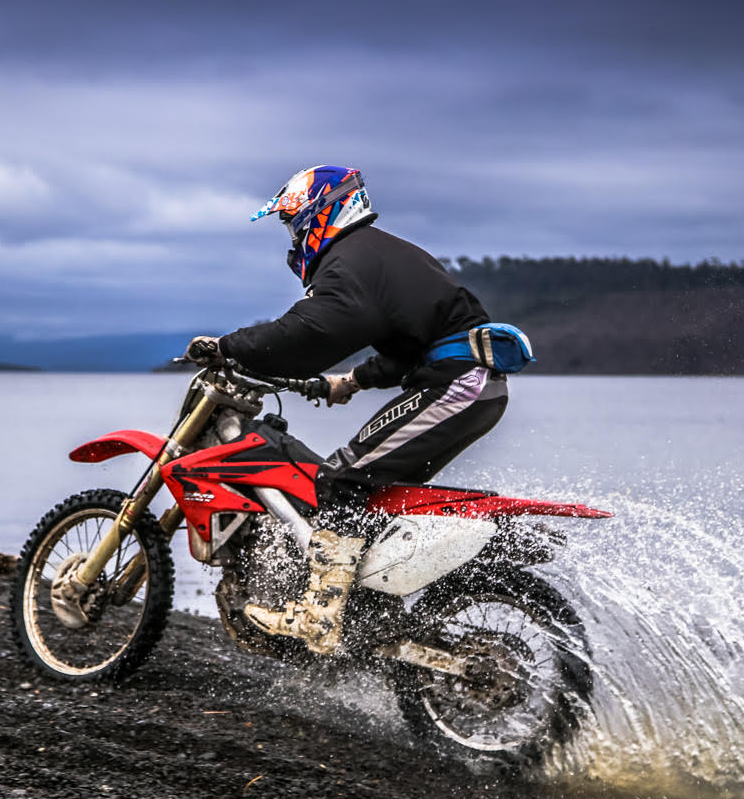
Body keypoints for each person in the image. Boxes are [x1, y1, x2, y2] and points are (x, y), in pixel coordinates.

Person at [188, 165, 513, 655]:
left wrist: (229, 347)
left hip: (459, 386)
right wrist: (354, 380)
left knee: (341, 480)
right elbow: (411, 345)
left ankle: (319, 615)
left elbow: (309, 332)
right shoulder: (373, 253)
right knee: (363, 489)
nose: (293, 238)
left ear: (319, 213)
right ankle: (366, 608)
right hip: (461, 382)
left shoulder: (349, 262)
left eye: (293, 223)